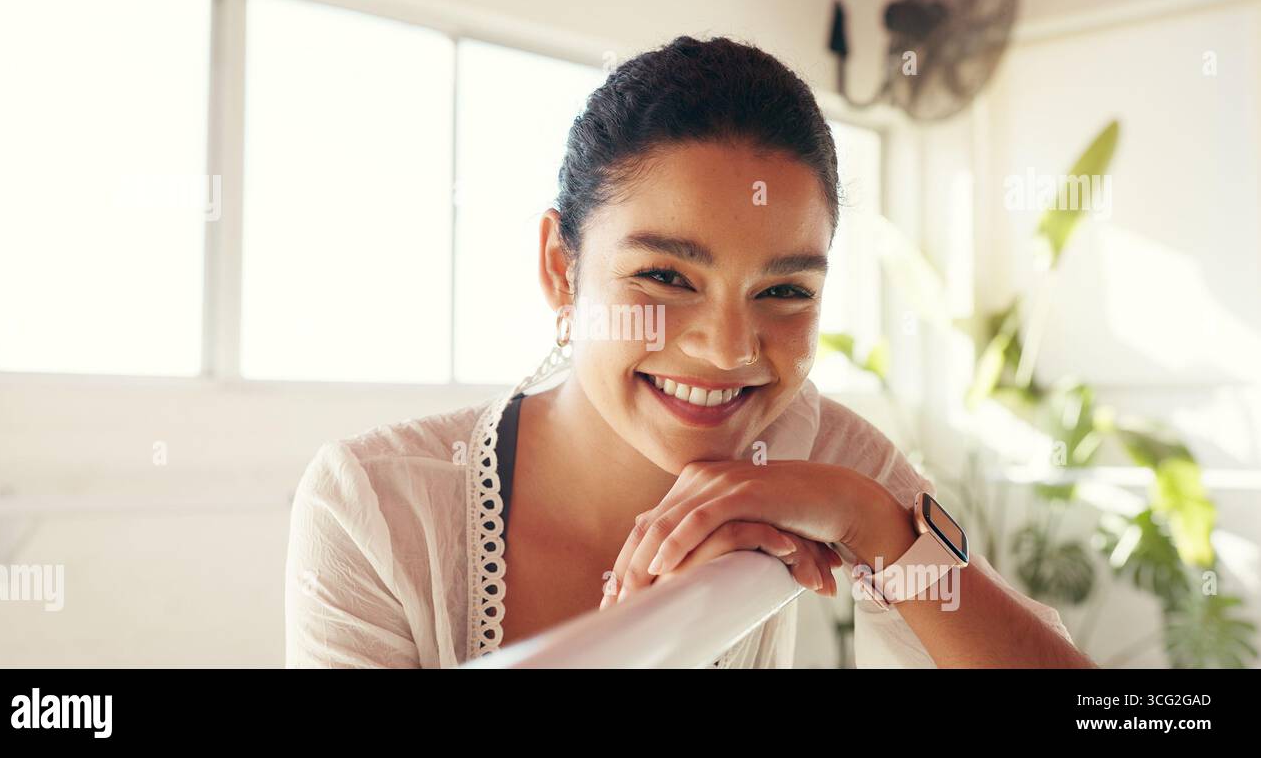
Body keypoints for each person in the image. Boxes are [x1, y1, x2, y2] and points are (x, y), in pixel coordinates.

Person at [284, 35, 1095, 669]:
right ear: (561, 269)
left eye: (785, 290)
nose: (728, 349)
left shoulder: (816, 450)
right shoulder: (375, 508)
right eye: (667, 276)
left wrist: (875, 523)